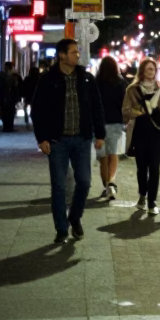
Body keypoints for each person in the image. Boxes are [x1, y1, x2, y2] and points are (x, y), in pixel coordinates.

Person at [32, 38, 106, 243]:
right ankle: (61, 229)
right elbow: (37, 110)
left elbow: (97, 107)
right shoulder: (48, 79)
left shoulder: (86, 78)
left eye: (77, 52)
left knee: (84, 181)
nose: (77, 55)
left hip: (82, 139)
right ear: (62, 55)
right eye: (73, 52)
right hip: (57, 141)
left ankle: (75, 217)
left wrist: (100, 134)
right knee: (59, 186)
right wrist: (42, 138)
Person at [122, 58, 160, 215]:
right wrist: (139, 112)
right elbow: (125, 111)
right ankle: (142, 195)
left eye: (153, 69)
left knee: (155, 167)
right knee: (141, 168)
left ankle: (152, 201)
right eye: (148, 69)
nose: (150, 72)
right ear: (142, 71)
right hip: (139, 132)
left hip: (157, 133)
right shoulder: (132, 90)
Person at [94, 56, 127, 201]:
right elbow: (124, 104)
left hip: (99, 123)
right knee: (113, 153)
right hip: (115, 122)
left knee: (103, 157)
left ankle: (107, 185)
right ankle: (111, 183)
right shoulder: (120, 83)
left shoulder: (96, 83)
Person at [0, 61, 22, 132]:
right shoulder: (2, 75)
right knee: (5, 111)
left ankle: (9, 126)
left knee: (10, 111)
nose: (5, 68)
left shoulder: (13, 76)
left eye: (6, 67)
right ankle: (7, 126)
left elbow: (18, 87)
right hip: (4, 95)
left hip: (9, 96)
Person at [20, 61, 44, 127]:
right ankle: (31, 115)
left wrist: (23, 94)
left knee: (25, 106)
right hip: (35, 95)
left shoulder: (27, 78)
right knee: (33, 107)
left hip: (28, 95)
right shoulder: (39, 79)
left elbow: (23, 86)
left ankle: (26, 115)